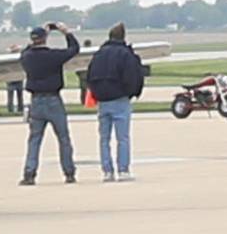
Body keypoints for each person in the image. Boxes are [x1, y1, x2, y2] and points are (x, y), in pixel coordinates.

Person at [19, 23, 81, 185]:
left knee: (34, 139)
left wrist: (41, 32)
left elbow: (25, 51)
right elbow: (74, 49)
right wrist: (66, 32)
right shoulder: (53, 56)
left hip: (36, 101)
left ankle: (29, 173)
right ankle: (69, 172)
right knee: (63, 138)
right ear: (45, 39)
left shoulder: (27, 57)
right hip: (53, 99)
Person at [86, 23, 145, 182]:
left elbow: (90, 76)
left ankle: (107, 171)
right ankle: (123, 170)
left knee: (104, 138)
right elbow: (133, 76)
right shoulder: (126, 54)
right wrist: (132, 92)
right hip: (120, 99)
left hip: (103, 101)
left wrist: (97, 93)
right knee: (123, 138)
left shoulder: (98, 54)